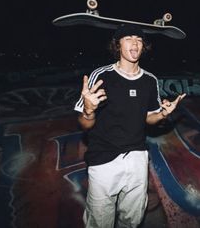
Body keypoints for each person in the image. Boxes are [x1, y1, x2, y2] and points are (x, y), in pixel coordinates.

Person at [74, 24, 186, 228]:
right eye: (128, 38)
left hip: (137, 158)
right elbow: (84, 124)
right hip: (103, 160)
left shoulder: (149, 80)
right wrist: (89, 110)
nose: (134, 43)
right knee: (99, 222)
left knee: (132, 220)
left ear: (144, 46)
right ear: (118, 45)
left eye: (139, 39)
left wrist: (162, 114)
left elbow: (148, 118)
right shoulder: (101, 75)